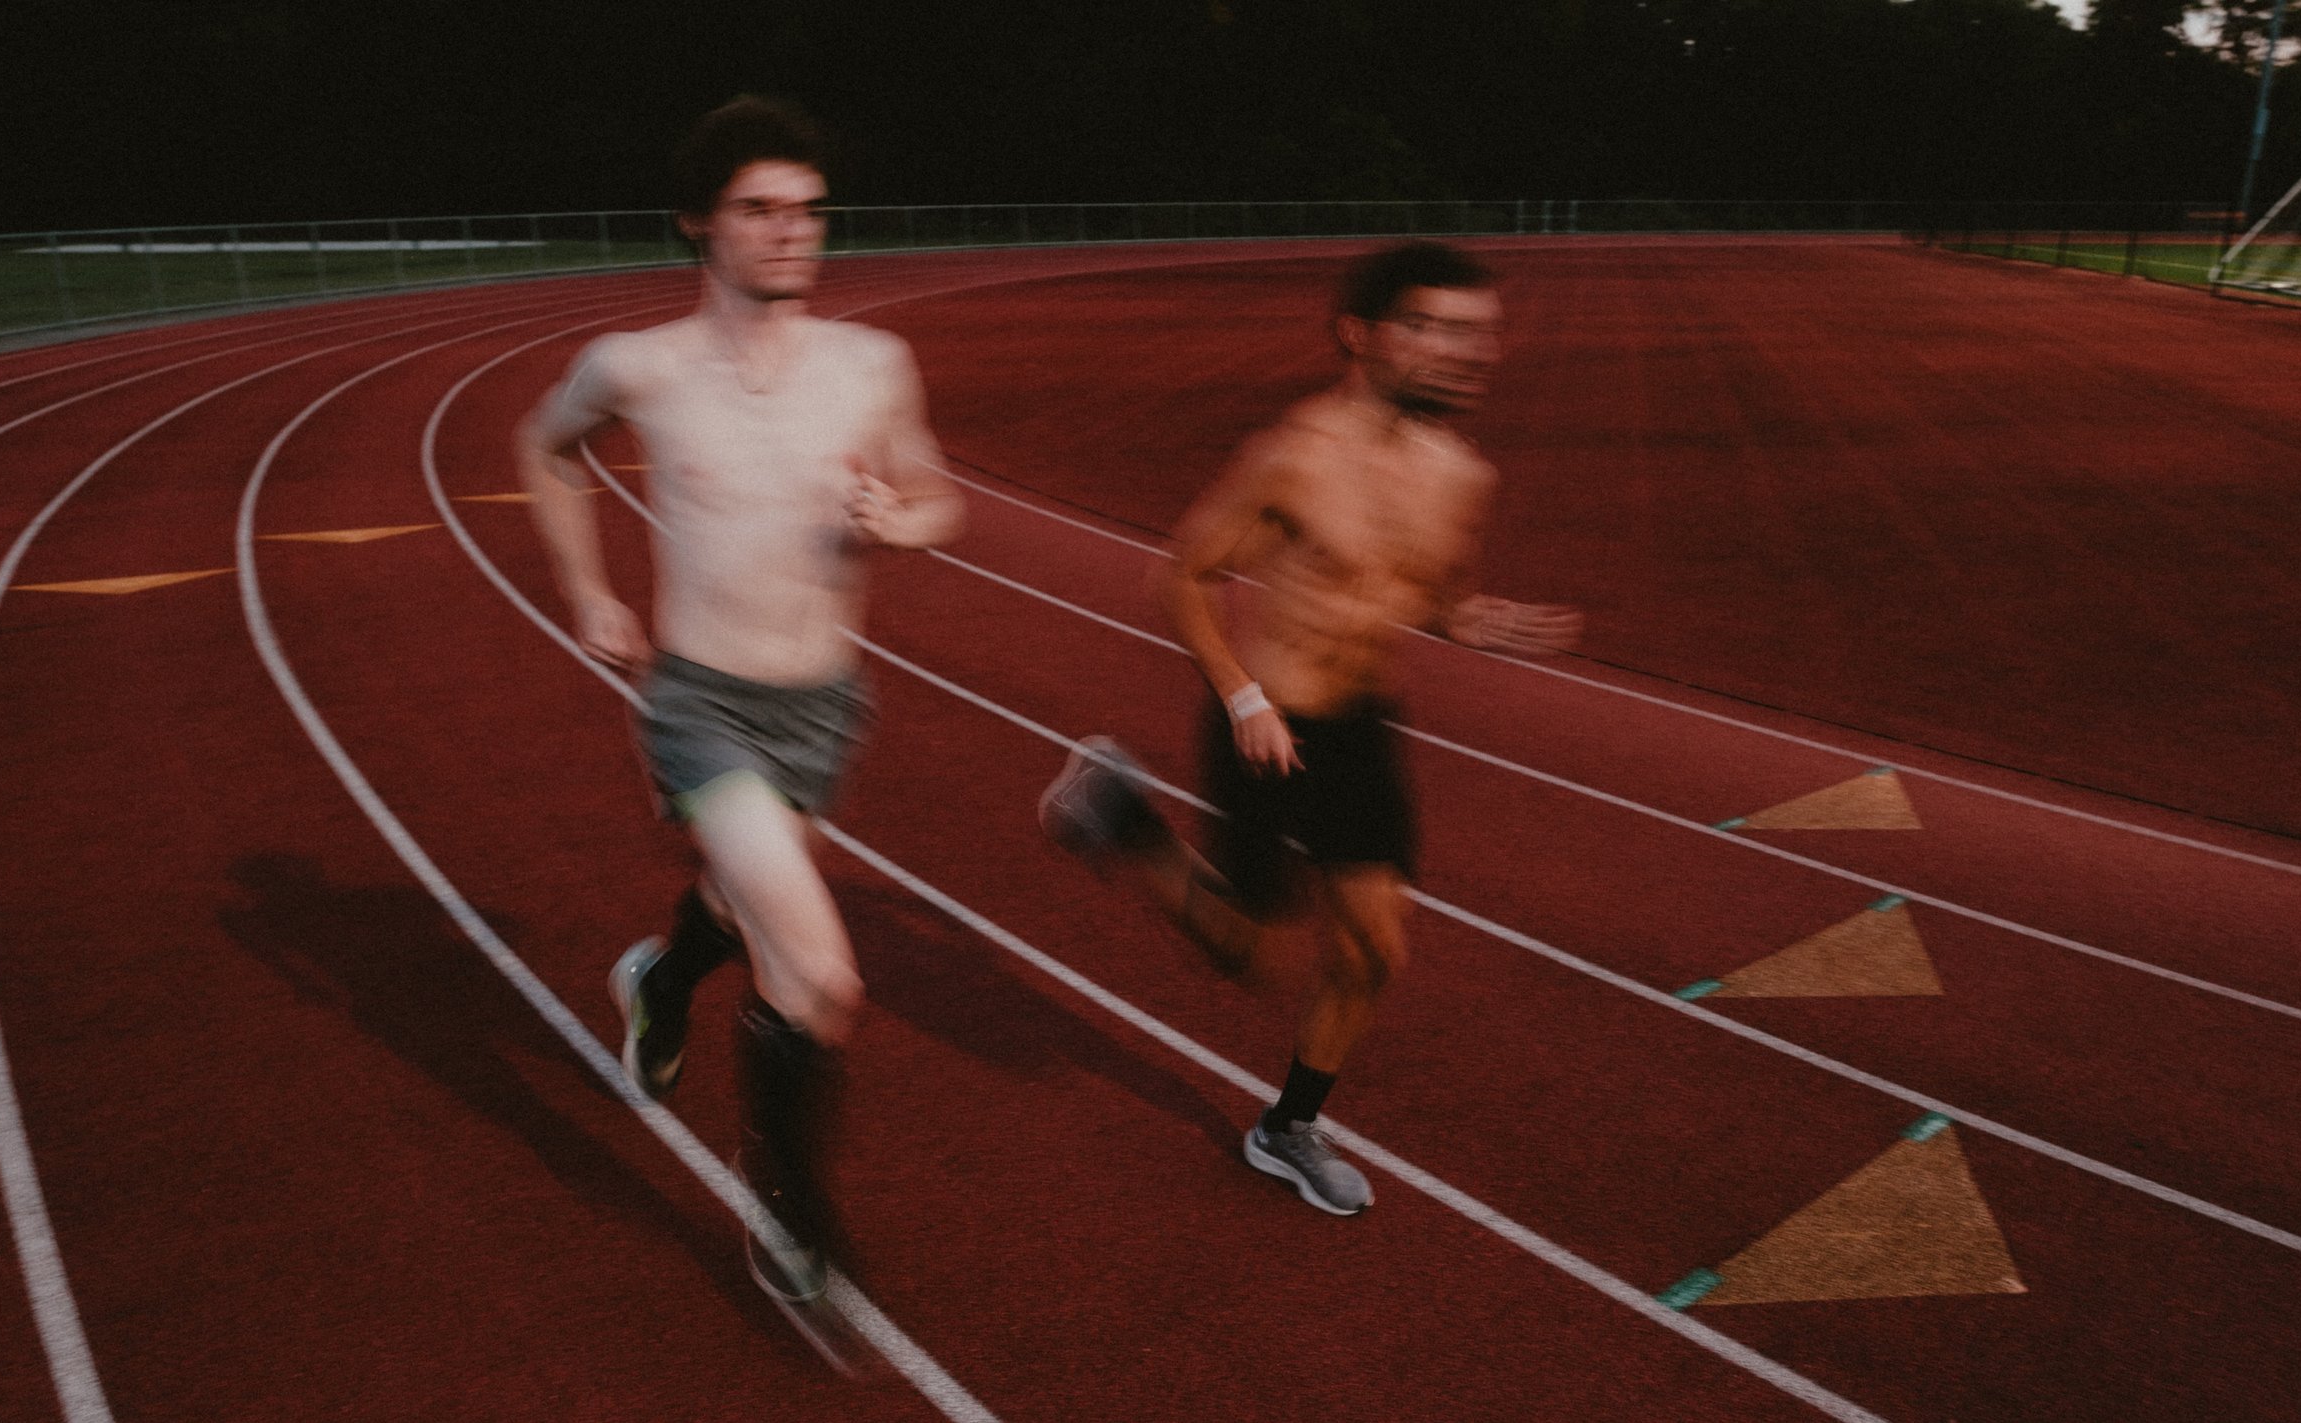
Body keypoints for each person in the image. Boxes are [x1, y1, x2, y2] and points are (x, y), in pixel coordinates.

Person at [518, 96, 961, 1323]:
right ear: (697, 223)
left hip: (825, 706)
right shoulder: (639, 366)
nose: (790, 231)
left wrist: (904, 521)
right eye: (759, 210)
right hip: (699, 706)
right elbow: (544, 448)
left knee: (741, 902)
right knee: (817, 975)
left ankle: (663, 978)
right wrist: (588, 590)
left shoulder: (873, 365)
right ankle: (790, 1212)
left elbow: (940, 497)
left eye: (807, 211)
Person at [1041, 241, 1577, 1216]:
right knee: (1249, 954)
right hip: (1269, 721)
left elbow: (1425, 594)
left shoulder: (1462, 475)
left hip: (1363, 723)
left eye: (1476, 331)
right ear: (1359, 336)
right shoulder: (1292, 456)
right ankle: (1122, 816)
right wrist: (1243, 697)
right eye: (1432, 327)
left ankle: (1287, 1128)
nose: (1465, 350)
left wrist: (1472, 621)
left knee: (1373, 947)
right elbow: (1183, 577)